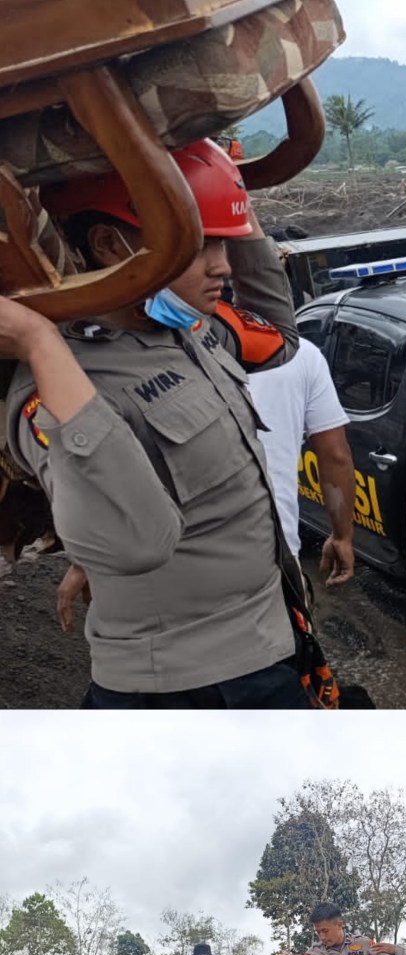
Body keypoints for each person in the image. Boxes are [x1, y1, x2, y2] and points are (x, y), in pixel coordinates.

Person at [3, 139, 308, 708]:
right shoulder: (55, 384)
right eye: (198, 246)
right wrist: (39, 341)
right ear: (106, 244)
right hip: (190, 690)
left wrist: (232, 202)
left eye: (223, 244)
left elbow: (278, 338)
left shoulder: (185, 332)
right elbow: (132, 542)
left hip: (272, 636)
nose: (222, 266)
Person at [249, 336, 356, 577]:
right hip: (273, 546)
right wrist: (342, 536)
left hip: (188, 558)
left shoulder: (174, 352)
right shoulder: (300, 354)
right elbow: (336, 455)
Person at [307, 901, 378, 955]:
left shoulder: (364, 944)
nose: (322, 937)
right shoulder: (313, 953)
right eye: (318, 932)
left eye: (325, 931)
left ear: (339, 925)